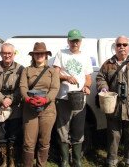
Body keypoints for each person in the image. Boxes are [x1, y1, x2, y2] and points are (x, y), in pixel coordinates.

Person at [96, 36, 129, 167]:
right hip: (113, 106)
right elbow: (100, 78)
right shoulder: (107, 64)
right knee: (113, 136)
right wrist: (103, 88)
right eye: (119, 44)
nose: (122, 47)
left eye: (124, 45)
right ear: (115, 47)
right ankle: (111, 162)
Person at [52, 29, 93, 167]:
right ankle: (64, 159)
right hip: (63, 98)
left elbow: (88, 78)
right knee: (62, 128)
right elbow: (55, 74)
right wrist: (66, 77)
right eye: (72, 40)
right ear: (68, 41)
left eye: (77, 40)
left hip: (80, 98)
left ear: (80, 42)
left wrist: (87, 86)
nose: (75, 43)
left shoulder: (86, 57)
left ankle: (77, 160)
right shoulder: (61, 54)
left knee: (78, 128)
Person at [19, 42, 60, 167]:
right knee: (28, 143)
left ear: (46, 55)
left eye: (42, 53)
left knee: (44, 141)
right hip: (29, 110)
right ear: (33, 55)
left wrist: (45, 99)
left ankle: (41, 165)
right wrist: (27, 99)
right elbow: (23, 86)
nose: (39, 55)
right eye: (36, 54)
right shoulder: (26, 70)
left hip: (47, 110)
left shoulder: (52, 71)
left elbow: (55, 88)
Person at [0, 43, 24, 167]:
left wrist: (11, 99)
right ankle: (4, 159)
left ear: (14, 54)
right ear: (1, 54)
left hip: (15, 105)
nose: (7, 55)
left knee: (13, 134)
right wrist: (2, 99)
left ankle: (12, 160)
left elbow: (22, 87)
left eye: (9, 53)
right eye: (4, 53)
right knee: (1, 134)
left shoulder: (21, 69)